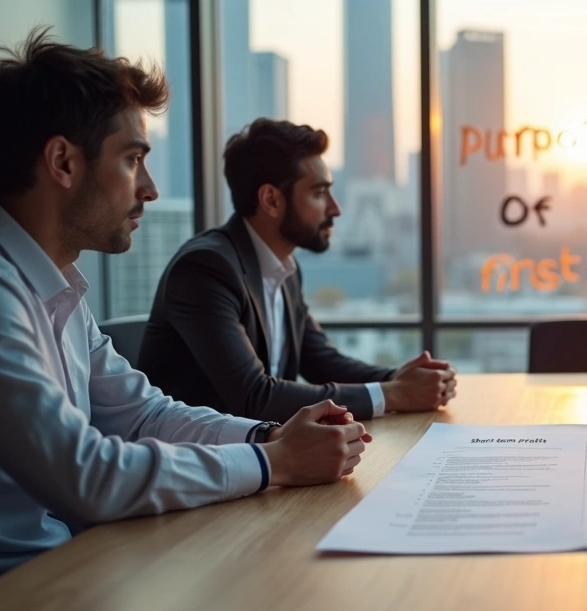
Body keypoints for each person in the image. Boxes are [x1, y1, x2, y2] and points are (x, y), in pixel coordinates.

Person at [0, 30, 369, 591]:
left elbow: (145, 416)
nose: (150, 189)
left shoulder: (53, 287)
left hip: (71, 571)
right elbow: (89, 474)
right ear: (62, 162)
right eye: (133, 159)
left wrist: (269, 437)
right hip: (0, 597)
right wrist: (276, 464)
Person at [139, 118, 456, 423]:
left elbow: (322, 362)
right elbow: (254, 397)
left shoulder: (284, 270)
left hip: (264, 458)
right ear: (272, 200)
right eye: (319, 193)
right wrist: (394, 394)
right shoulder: (205, 270)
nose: (335, 208)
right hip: (200, 465)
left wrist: (404, 379)